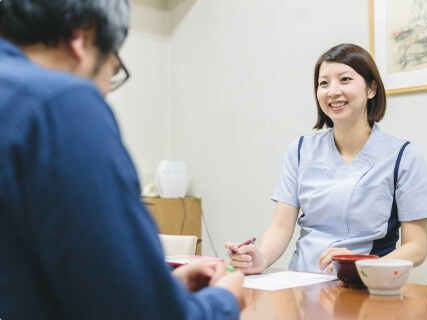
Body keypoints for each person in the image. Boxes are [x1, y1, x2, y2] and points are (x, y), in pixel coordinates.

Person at [0, 1, 244, 319]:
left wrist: (156, 287)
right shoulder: (61, 105)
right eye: (113, 73)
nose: (106, 93)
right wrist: (224, 301)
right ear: (83, 35)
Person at [225, 43, 427, 275]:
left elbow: (416, 248)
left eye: (345, 79)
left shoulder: (404, 156)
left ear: (371, 89)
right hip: (301, 283)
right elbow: (280, 227)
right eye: (323, 83)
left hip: (364, 287)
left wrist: (362, 264)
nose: (333, 91)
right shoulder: (299, 150)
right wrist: (262, 257)